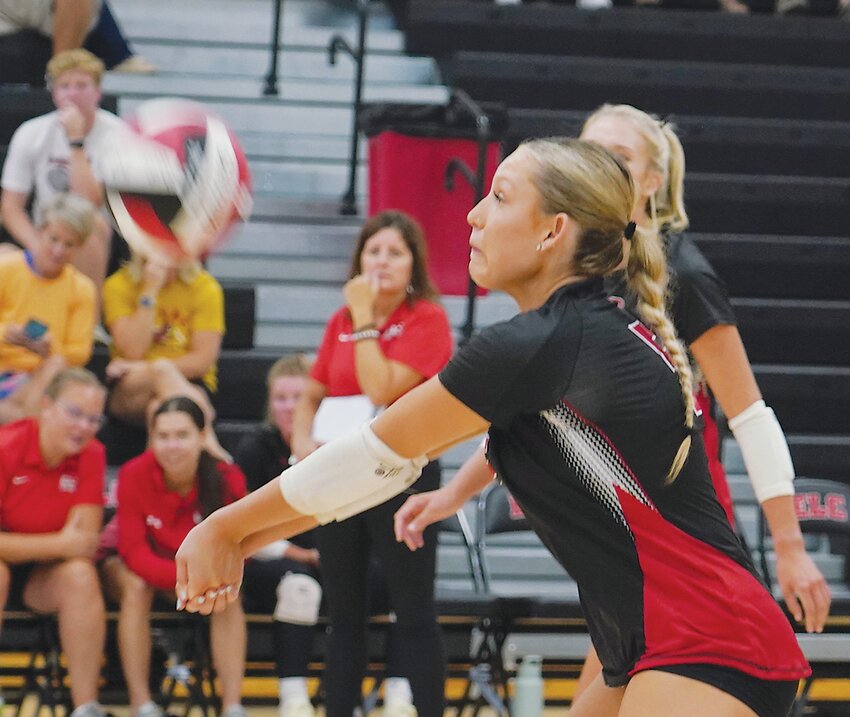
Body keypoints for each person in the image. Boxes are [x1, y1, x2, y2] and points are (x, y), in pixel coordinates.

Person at [176, 138, 811, 717]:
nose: (474, 215)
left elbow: (371, 458)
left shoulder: (541, 345)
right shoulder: (574, 336)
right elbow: (376, 474)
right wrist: (236, 537)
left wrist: (225, 528)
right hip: (655, 643)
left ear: (552, 232)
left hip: (709, 640)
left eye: (499, 197)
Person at [289, 210, 453, 717]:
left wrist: (364, 319)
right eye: (373, 250)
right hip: (340, 476)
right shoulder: (337, 322)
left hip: (403, 476)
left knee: (414, 612)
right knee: (344, 615)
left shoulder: (427, 319)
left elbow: (380, 386)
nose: (381, 261)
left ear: (413, 265)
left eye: (394, 252)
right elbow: (312, 392)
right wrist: (300, 445)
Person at [100, 395, 248, 717]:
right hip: (143, 571)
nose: (172, 446)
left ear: (201, 436)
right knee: (136, 588)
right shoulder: (133, 474)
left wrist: (203, 579)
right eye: (163, 436)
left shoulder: (226, 476)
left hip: (195, 575)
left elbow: (242, 545)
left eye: (182, 435)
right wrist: (189, 578)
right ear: (151, 439)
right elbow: (133, 552)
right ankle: (142, 704)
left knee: (228, 593)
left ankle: (233, 706)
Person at [0, 367, 108, 717]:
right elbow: (71, 542)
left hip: (44, 577)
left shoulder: (91, 453)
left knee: (80, 575)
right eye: (74, 413)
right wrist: (62, 542)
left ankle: (85, 707)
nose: (83, 427)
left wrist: (62, 546)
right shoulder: (6, 448)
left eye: (93, 419)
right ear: (45, 406)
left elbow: (85, 543)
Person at [235, 354, 322, 717]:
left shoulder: (335, 448)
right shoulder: (254, 450)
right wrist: (295, 554)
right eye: (280, 398)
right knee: (300, 585)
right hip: (268, 561)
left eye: (297, 398)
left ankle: (398, 696)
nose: (288, 407)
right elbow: (239, 526)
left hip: (331, 558)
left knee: (393, 581)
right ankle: (294, 699)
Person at [0, 48, 123, 294]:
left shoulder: (118, 134)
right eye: (65, 86)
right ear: (54, 94)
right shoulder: (31, 132)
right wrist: (39, 246)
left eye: (82, 85)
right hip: (43, 235)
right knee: (4, 256)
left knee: (89, 226)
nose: (73, 94)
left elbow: (88, 203)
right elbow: (10, 209)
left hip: (96, 238)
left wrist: (76, 141)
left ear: (97, 92)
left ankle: (91, 326)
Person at [101, 250, 230, 461]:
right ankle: (210, 448)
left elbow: (202, 361)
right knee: (162, 372)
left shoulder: (205, 288)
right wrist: (150, 290)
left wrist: (148, 367)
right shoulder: (118, 285)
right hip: (130, 388)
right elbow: (133, 350)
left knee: (158, 407)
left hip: (189, 382)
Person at [0, 193, 97, 425]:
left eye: (69, 244)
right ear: (39, 231)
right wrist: (7, 333)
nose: (58, 250)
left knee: (56, 365)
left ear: (79, 247)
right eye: (53, 239)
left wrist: (49, 347)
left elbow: (79, 353)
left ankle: (21, 431)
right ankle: (22, 431)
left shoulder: (82, 288)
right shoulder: (6, 269)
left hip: (43, 378)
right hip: (4, 366)